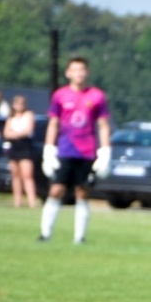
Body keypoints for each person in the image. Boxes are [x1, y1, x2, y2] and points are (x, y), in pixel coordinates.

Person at [40, 56, 112, 244]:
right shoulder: (60, 95)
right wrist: (48, 149)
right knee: (56, 190)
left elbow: (103, 125)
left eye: (82, 70)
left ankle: (79, 237)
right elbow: (53, 123)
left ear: (87, 72)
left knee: (82, 191)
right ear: (68, 73)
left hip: (86, 152)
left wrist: (105, 151)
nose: (79, 73)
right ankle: (45, 234)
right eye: (75, 70)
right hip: (65, 150)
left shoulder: (97, 96)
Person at [4, 94, 40, 208]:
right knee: (16, 175)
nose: (19, 106)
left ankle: (32, 201)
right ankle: (17, 201)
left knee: (27, 175)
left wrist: (15, 134)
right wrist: (15, 135)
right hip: (14, 146)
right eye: (17, 104)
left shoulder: (28, 115)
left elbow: (28, 130)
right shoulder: (11, 117)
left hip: (25, 146)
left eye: (22, 104)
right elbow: (6, 133)